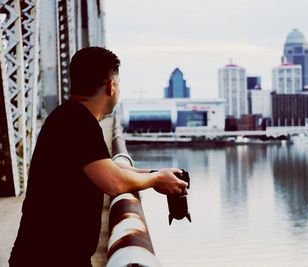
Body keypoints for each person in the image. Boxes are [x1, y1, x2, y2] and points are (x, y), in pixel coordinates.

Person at [9, 47, 188, 267]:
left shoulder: (68, 117)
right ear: (111, 87)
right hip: (49, 258)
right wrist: (157, 180)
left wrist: (156, 174)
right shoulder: (78, 123)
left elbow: (109, 168)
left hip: (46, 255)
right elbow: (114, 182)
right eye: (119, 84)